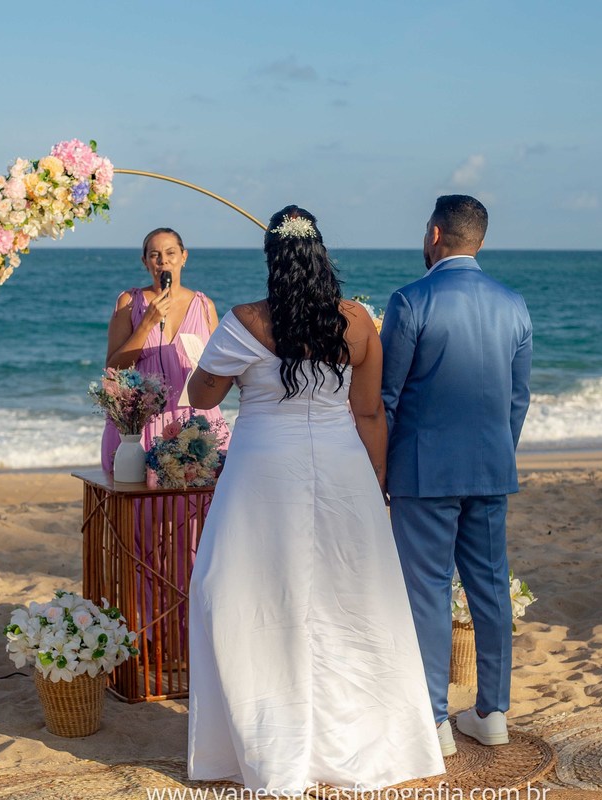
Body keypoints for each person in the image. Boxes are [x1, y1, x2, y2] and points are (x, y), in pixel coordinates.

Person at [183, 206, 444, 793]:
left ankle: (269, 742)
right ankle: (351, 742)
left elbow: (200, 397)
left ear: (272, 259)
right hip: (344, 469)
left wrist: (223, 362)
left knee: (238, 595)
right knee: (347, 599)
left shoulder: (244, 322)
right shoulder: (357, 324)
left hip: (261, 477)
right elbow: (370, 412)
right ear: (321, 255)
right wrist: (376, 486)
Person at [380, 195, 533, 756]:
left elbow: (387, 398)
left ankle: (435, 721)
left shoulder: (410, 300)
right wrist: (497, 454)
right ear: (481, 241)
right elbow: (518, 399)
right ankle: (492, 712)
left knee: (427, 592)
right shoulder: (514, 305)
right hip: (491, 469)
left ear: (436, 235)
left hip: (424, 472)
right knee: (489, 587)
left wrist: (380, 467)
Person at [101, 228, 226, 472]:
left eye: (170, 253)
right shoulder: (129, 301)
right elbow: (113, 368)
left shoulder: (203, 305)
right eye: (155, 255)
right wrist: (147, 323)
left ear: (184, 256)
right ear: (145, 261)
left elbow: (220, 366)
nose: (163, 260)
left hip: (194, 415)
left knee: (198, 501)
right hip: (144, 418)